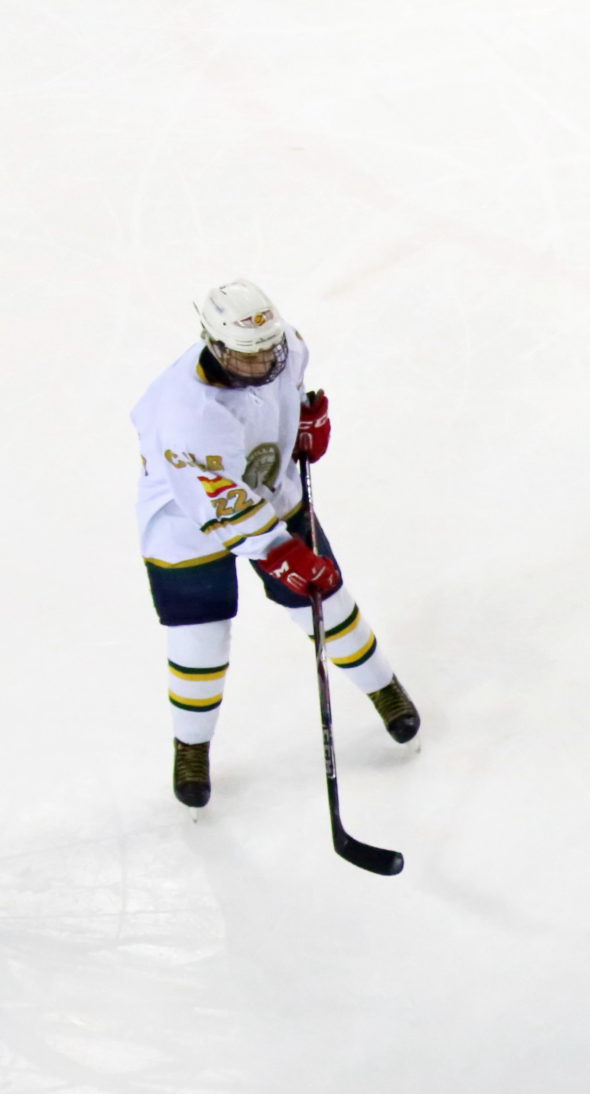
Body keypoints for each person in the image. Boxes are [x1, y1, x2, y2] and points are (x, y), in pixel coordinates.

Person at [129, 280, 419, 807]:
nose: (265, 360)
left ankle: (385, 690)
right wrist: (280, 552)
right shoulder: (187, 416)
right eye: (248, 354)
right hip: (184, 519)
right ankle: (191, 748)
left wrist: (301, 424)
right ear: (215, 348)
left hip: (267, 491)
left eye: (270, 347)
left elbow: (286, 393)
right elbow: (219, 502)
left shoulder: (288, 349)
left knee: (330, 603)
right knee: (200, 640)